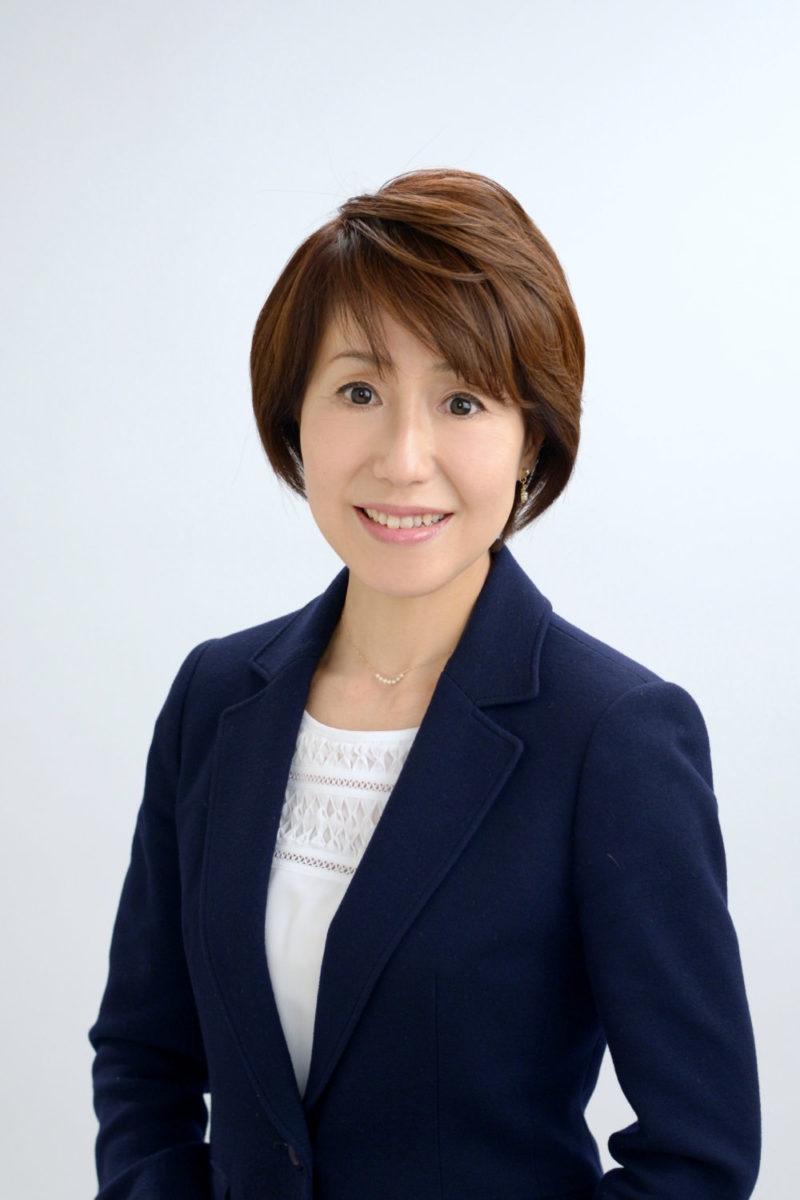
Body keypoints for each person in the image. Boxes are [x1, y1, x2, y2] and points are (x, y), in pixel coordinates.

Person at [89, 169, 760, 1200]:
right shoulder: (214, 699)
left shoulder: (614, 736)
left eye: (462, 401)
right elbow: (145, 1058)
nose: (404, 460)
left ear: (530, 438)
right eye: (359, 392)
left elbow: (697, 1154)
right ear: (295, 416)